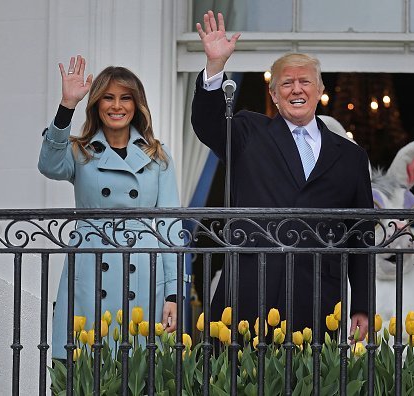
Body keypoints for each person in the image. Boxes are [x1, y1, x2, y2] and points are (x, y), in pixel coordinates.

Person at [191, 11, 373, 341]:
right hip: (250, 287)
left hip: (319, 293)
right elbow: (206, 124)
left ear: (319, 90)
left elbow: (361, 234)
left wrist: (362, 303)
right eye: (286, 83)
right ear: (274, 94)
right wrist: (215, 66)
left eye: (305, 82)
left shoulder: (351, 156)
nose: (296, 89)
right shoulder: (247, 131)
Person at [38, 55, 182, 359]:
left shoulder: (158, 155)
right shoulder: (79, 150)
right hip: (91, 266)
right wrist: (67, 106)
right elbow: (49, 165)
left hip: (142, 266)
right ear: (97, 104)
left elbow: (171, 224)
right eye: (108, 98)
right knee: (85, 365)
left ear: (137, 104)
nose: (117, 106)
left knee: (141, 368)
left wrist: (174, 292)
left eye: (125, 98)